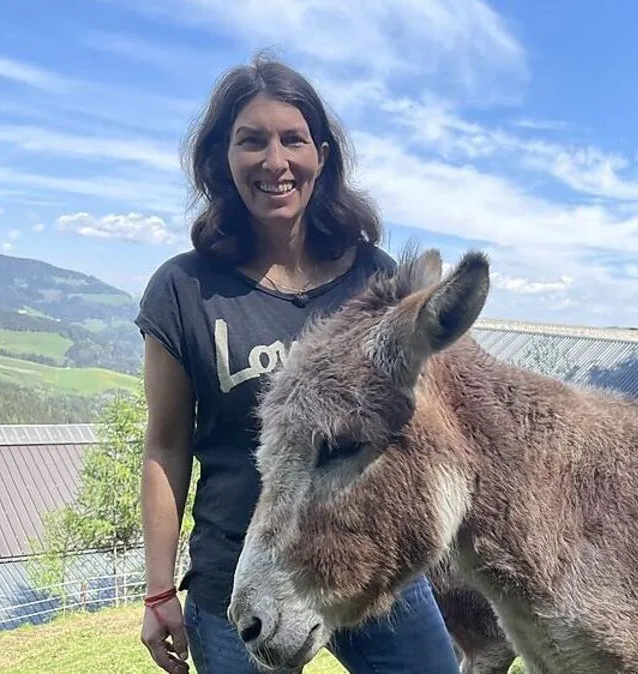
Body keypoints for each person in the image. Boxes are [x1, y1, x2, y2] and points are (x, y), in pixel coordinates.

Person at [134, 52, 462, 674]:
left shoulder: (374, 278)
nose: (275, 162)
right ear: (221, 159)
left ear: (322, 156)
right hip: (240, 576)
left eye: (293, 140)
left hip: (365, 568)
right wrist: (158, 591)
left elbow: (416, 432)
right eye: (251, 141)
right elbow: (165, 446)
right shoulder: (184, 290)